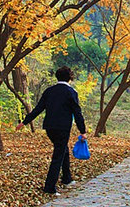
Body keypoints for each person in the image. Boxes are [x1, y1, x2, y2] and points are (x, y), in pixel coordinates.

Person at [16, 66, 87, 196]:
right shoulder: (71, 92)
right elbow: (77, 112)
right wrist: (82, 130)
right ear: (70, 77)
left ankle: (67, 179)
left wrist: (24, 122)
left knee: (63, 150)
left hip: (49, 127)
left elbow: (38, 109)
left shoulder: (49, 91)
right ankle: (49, 187)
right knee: (58, 155)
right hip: (63, 128)